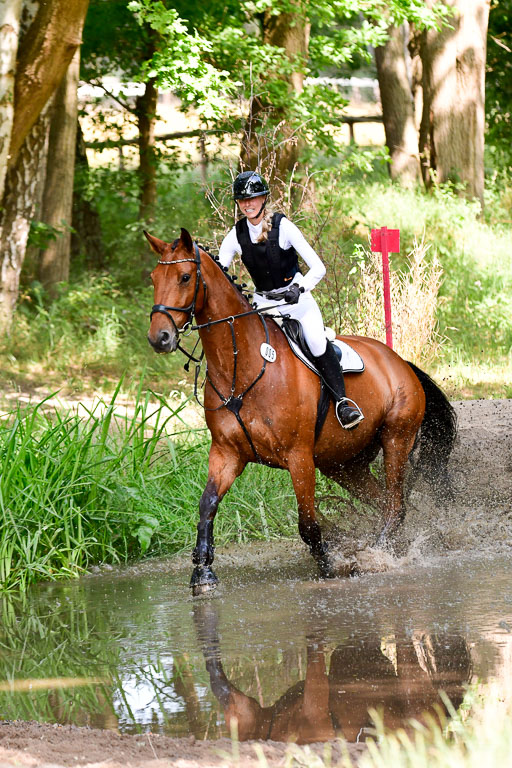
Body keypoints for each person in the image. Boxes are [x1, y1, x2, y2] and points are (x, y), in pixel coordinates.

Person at [218, 170, 364, 430]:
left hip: (297, 303)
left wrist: (301, 287)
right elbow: (219, 273)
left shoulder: (282, 227)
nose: (248, 204)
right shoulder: (235, 235)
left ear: (263, 199)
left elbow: (318, 267)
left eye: (253, 198)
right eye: (242, 200)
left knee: (317, 343)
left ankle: (343, 402)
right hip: (264, 305)